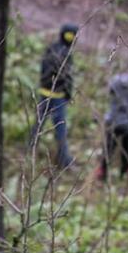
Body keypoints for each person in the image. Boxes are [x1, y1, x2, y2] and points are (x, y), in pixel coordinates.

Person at [32, 24, 78, 169]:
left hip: (44, 93)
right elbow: (67, 78)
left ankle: (30, 152)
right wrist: (68, 95)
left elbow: (43, 71)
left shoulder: (51, 48)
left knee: (38, 125)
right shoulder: (65, 53)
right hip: (57, 96)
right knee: (61, 130)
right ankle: (64, 161)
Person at [96, 62, 128, 182]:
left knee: (109, 148)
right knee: (127, 149)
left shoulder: (116, 80)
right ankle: (123, 174)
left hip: (113, 120)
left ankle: (103, 172)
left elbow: (109, 92)